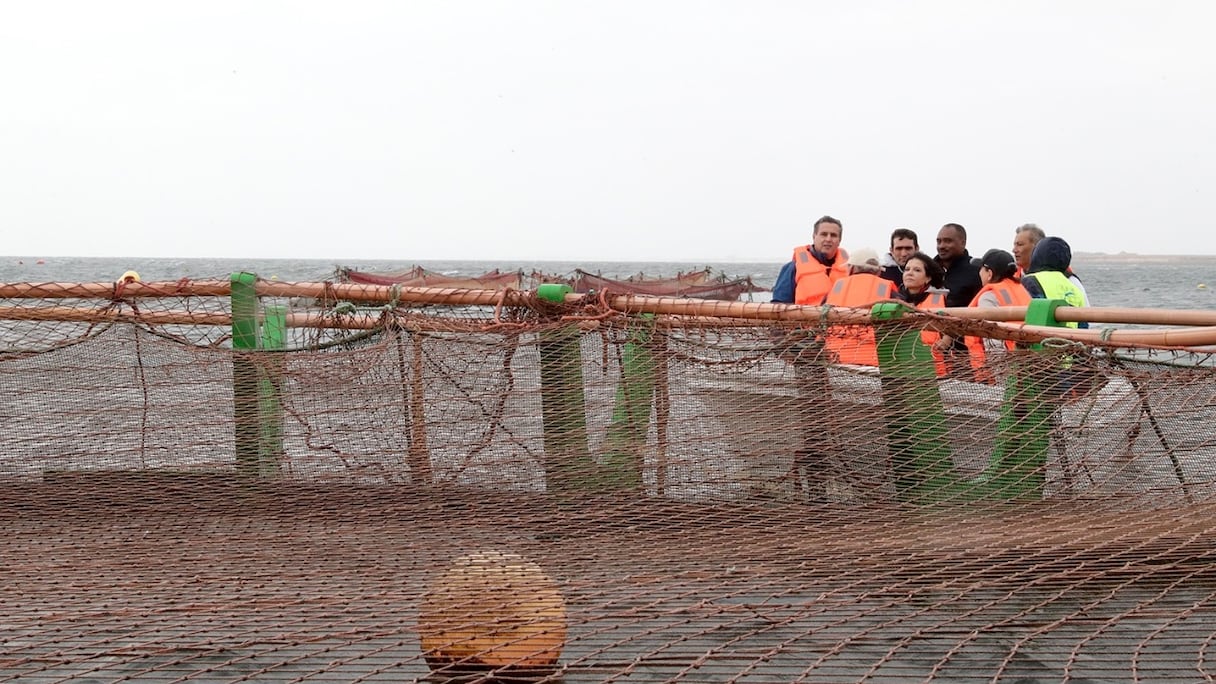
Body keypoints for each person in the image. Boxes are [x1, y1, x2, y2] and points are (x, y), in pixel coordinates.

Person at [965, 249, 1032, 384]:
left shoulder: (988, 297)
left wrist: (1000, 379)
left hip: (1005, 372)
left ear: (989, 273)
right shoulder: (1022, 290)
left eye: (981, 269)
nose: (979, 273)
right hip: (1028, 366)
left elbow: (992, 339)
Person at [824, 248, 897, 366]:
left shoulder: (835, 290)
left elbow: (820, 322)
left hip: (834, 360)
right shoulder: (890, 293)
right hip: (876, 363)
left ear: (852, 268)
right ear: (878, 271)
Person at [771, 215, 851, 305]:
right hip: (803, 318)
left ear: (839, 240)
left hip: (843, 318)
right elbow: (778, 305)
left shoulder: (851, 270)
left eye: (833, 235)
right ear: (814, 236)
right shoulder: (793, 268)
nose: (828, 239)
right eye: (824, 234)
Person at [895, 251, 949, 376]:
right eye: (907, 269)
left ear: (928, 277)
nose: (910, 273)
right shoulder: (894, 298)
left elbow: (954, 326)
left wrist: (946, 340)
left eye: (917, 270)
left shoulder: (941, 299)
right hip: (900, 366)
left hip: (932, 368)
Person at [1021, 236, 1088, 319]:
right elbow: (1083, 324)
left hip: (1041, 331)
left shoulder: (1030, 281)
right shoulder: (1075, 288)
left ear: (1036, 255)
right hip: (1069, 331)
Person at [934, 223, 982, 308]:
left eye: (948, 241)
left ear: (963, 243)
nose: (941, 246)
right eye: (939, 241)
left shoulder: (976, 271)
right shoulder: (927, 270)